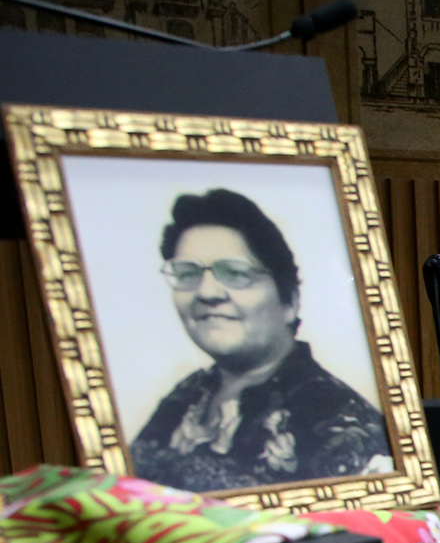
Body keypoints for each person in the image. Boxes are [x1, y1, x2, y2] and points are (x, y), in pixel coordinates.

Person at [131, 189, 392, 493]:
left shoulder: (338, 418)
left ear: (289, 300)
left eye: (235, 273)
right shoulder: (188, 396)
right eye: (187, 273)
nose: (206, 293)